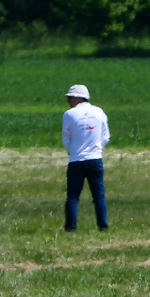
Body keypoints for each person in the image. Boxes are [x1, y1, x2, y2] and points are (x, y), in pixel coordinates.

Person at [62, 84, 110, 232]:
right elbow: (105, 136)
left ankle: (71, 227)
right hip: (95, 160)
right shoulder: (99, 112)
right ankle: (103, 226)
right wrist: (97, 149)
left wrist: (73, 151)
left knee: (73, 197)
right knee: (99, 196)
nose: (69, 100)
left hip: (76, 160)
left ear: (78, 97)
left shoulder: (69, 114)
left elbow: (66, 138)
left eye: (70, 97)